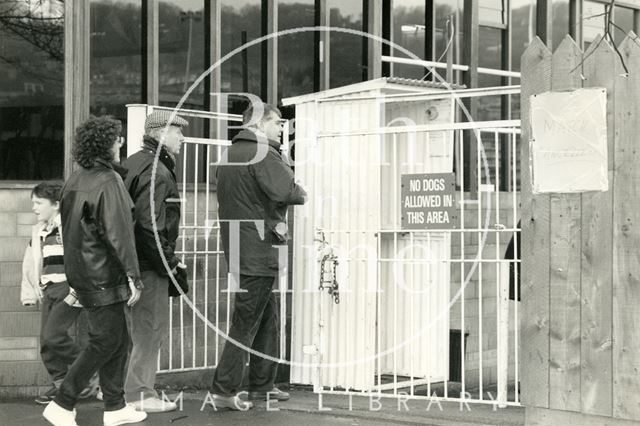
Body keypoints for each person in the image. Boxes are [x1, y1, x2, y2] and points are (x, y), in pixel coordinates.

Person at [42, 116, 146, 426]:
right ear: (105, 144)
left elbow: (74, 231)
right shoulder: (109, 181)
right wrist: (134, 276)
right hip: (104, 276)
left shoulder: (76, 179)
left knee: (118, 339)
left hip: (84, 274)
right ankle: (62, 403)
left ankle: (115, 407)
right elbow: (120, 234)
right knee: (106, 340)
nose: (121, 143)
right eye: (117, 139)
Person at [209, 102, 307, 410]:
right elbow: (288, 191)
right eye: (277, 122)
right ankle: (223, 390)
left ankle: (263, 385)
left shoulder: (230, 154)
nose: (281, 128)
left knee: (267, 315)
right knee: (247, 321)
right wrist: (300, 190)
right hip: (260, 249)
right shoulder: (263, 152)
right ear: (258, 124)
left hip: (241, 247)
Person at [122, 110, 189, 412]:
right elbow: (150, 226)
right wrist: (170, 263)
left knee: (127, 331)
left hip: (124, 262)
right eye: (177, 132)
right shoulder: (158, 171)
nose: (182, 137)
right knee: (150, 329)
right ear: (161, 133)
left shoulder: (131, 163)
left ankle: (117, 389)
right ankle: (140, 394)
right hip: (148, 265)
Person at [20, 181, 99, 405]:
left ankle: (86, 373)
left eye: (39, 203)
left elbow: (85, 255)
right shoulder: (39, 232)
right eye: (32, 203)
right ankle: (61, 384)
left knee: (54, 336)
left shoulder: (69, 225)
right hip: (48, 289)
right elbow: (30, 263)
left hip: (69, 288)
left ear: (55, 205)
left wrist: (82, 287)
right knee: (46, 343)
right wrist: (29, 293)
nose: (34, 207)